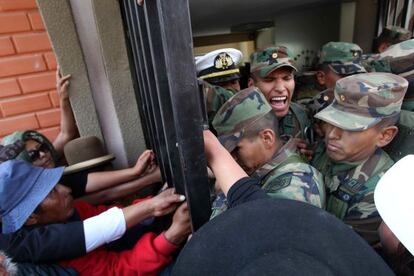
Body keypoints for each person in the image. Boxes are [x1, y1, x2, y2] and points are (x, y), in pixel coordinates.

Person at [0, 159, 191, 275]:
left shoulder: (70, 212)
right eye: (51, 192)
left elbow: (111, 216)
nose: (66, 189)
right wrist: (171, 237)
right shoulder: (56, 255)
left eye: (58, 183)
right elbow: (119, 270)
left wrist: (157, 201)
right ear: (31, 217)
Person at [312, 72, 408, 245]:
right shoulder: (323, 149)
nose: (332, 135)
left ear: (385, 136)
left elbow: (336, 249)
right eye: (331, 122)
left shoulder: (380, 194)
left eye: (351, 127)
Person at [210, 87, 325, 217]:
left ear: (267, 138)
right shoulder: (264, 171)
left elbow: (264, 229)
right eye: (228, 151)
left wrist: (226, 193)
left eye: (236, 149)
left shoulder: (297, 181)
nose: (232, 158)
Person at [248, 46, 310, 141]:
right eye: (269, 80)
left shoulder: (303, 115)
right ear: (251, 85)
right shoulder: (239, 126)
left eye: (287, 78)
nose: (280, 88)